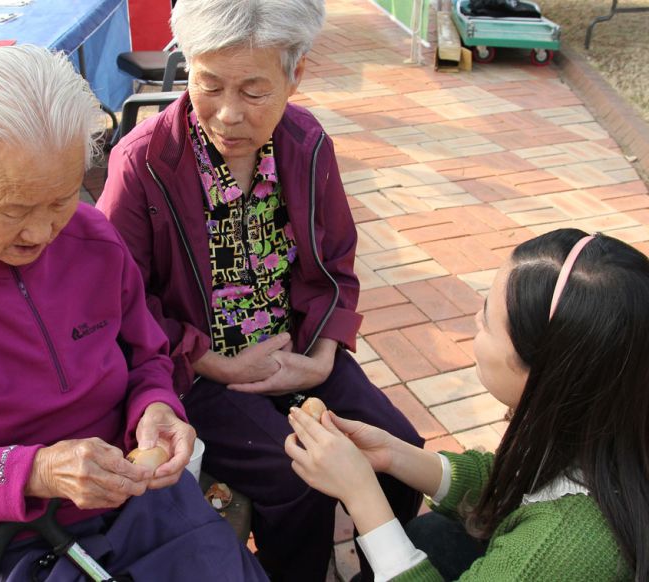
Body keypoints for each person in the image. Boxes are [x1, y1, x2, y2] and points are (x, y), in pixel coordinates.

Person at [0, 45, 267, 581]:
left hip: (135, 495)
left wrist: (155, 408)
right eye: (14, 209)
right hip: (1, 534)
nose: (41, 234)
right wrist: (35, 471)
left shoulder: (93, 238)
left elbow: (145, 355)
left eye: (62, 199)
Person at [96, 0, 424, 580]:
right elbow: (117, 300)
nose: (227, 114)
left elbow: (337, 262)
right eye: (208, 84)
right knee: (296, 480)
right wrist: (208, 359)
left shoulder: (307, 143)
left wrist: (322, 355)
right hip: (197, 373)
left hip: (297, 351)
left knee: (400, 449)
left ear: (294, 75)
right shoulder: (142, 163)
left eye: (253, 92)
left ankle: (383, 569)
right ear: (187, 66)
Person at [286, 228, 648, 581]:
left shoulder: (559, 550)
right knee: (435, 535)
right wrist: (392, 454)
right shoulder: (606, 421)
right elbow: (517, 483)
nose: (476, 319)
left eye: (489, 320)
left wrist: (361, 494)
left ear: (545, 373)